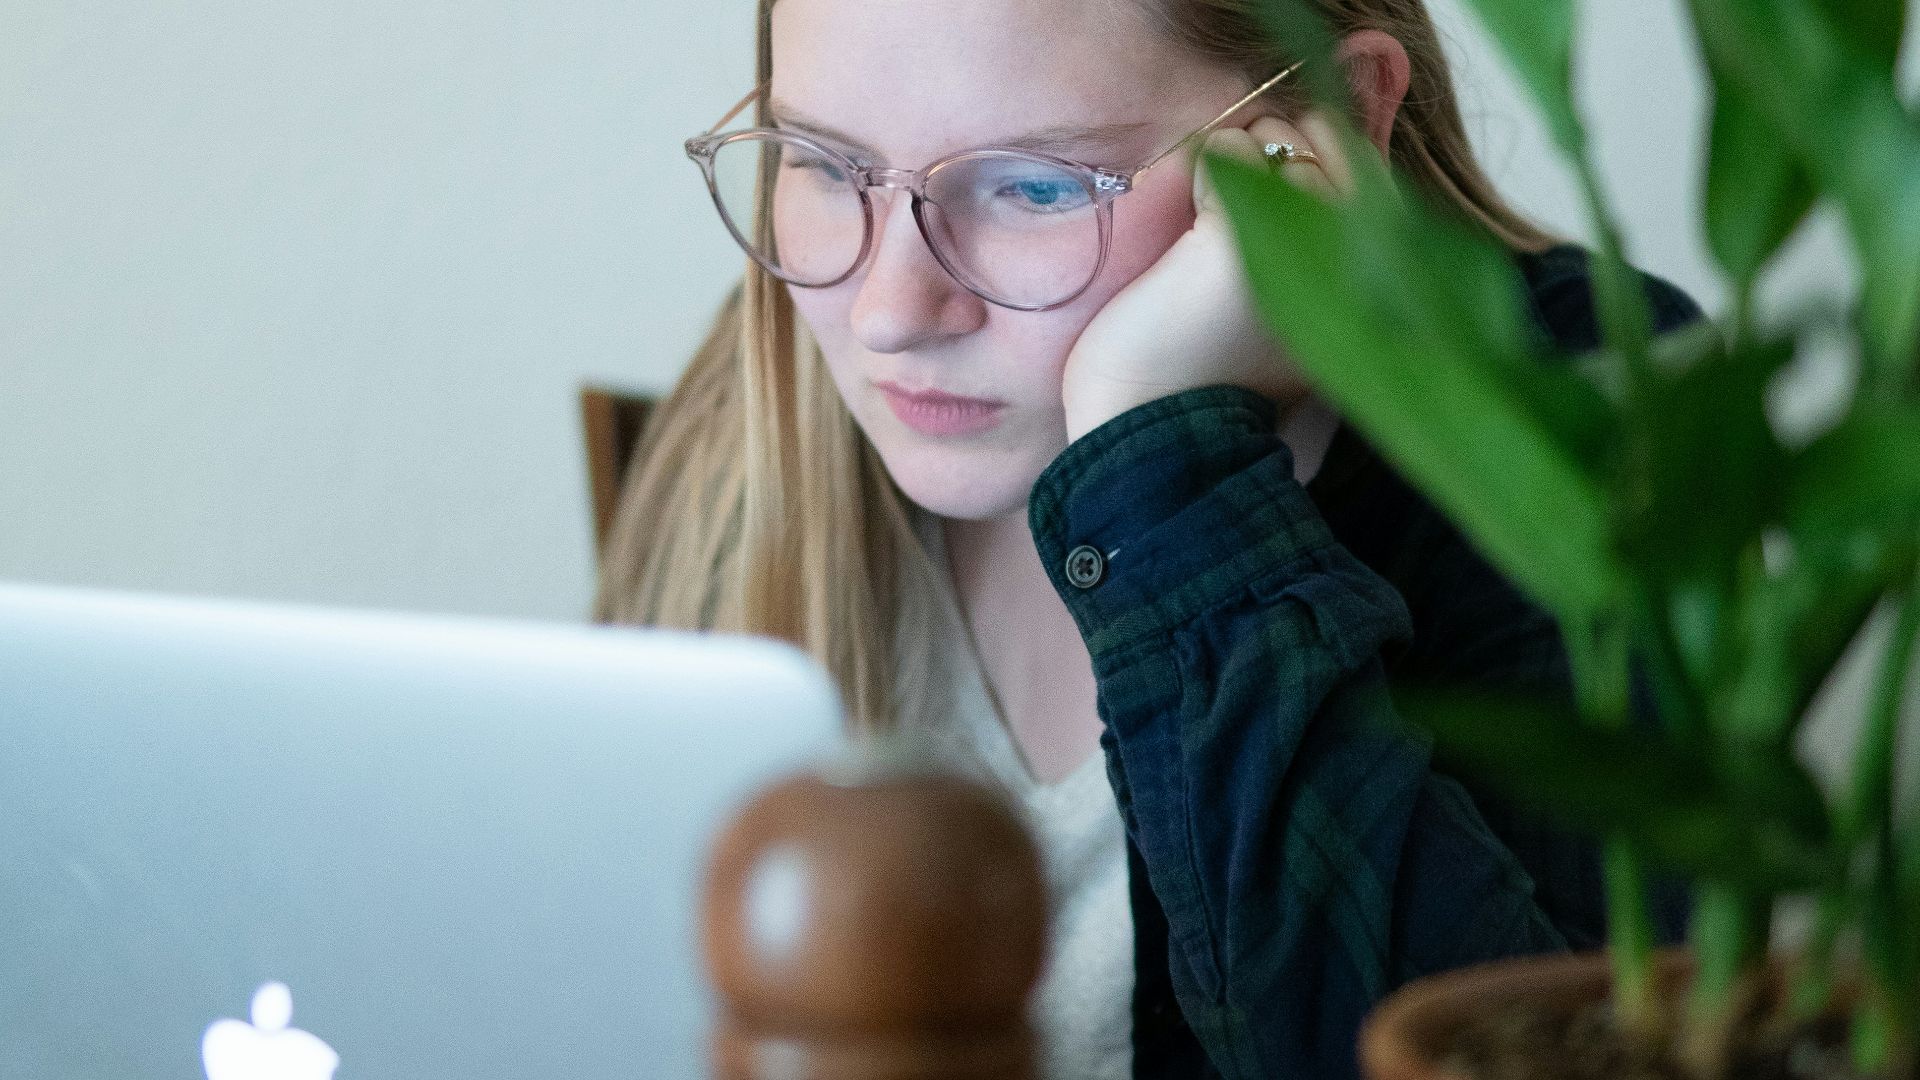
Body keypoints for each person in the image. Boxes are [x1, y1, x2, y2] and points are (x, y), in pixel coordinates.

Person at [597, 1, 1702, 1077]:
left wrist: (1157, 457)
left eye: (1033, 186)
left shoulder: (1579, 424)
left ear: (1335, 113)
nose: (890, 311)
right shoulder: (756, 420)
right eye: (828, 168)